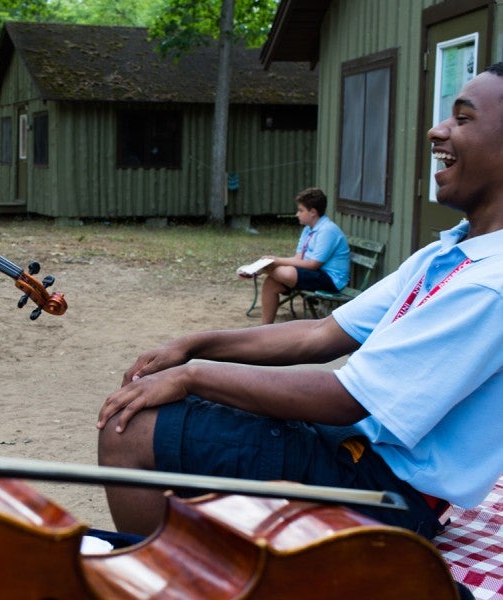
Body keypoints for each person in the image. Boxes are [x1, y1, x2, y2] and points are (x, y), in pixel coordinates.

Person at [96, 63, 503, 543]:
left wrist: (192, 375)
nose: (437, 130)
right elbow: (320, 334)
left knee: (130, 429)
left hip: (383, 492)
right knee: (177, 421)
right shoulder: (444, 254)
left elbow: (345, 399)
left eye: (462, 118)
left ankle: (161, 579)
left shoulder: (490, 285)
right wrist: (192, 345)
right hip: (349, 453)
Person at [257, 187, 349, 324]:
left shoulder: (327, 230)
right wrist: (274, 261)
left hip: (331, 280)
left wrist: (276, 261)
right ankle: (264, 328)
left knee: (286, 273)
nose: (297, 214)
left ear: (313, 212)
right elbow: (298, 259)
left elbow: (313, 264)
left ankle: (262, 270)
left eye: (300, 210)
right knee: (271, 283)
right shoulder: (308, 229)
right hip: (314, 273)